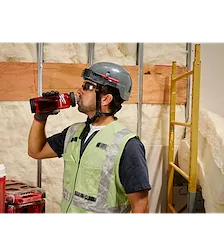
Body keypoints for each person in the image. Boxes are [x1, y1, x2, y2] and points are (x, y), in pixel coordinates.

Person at [28, 61, 151, 216]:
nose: (80, 91)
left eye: (88, 86)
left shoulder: (127, 145)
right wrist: (40, 117)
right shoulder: (74, 133)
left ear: (106, 99)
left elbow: (141, 205)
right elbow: (36, 151)